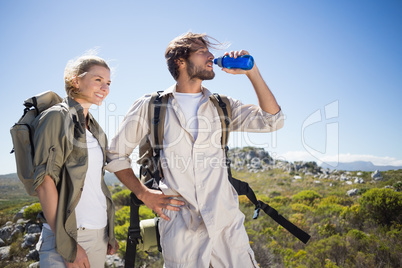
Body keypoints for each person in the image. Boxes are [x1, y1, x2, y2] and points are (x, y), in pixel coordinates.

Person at [106, 32, 284, 267]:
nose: (211, 56)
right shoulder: (151, 106)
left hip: (227, 229)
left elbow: (273, 120)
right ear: (180, 61)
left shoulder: (222, 105)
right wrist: (144, 194)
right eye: (202, 52)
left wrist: (252, 72)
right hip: (181, 232)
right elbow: (116, 155)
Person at [34, 53, 118, 267]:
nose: (105, 87)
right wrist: (68, 245)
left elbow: (94, 185)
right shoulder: (56, 117)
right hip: (69, 237)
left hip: (98, 234)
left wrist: (109, 231)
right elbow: (44, 184)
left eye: (108, 82)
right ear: (75, 80)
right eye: (98, 80)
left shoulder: (95, 129)